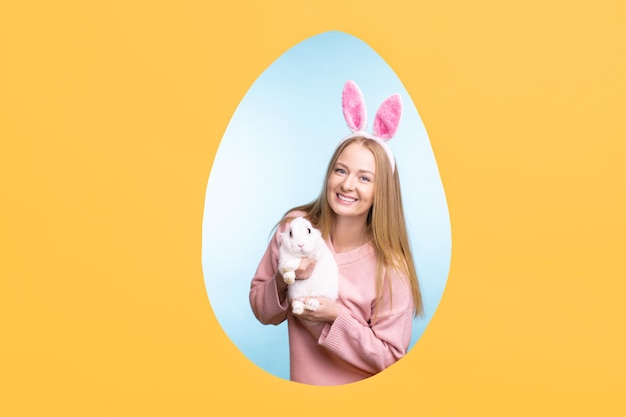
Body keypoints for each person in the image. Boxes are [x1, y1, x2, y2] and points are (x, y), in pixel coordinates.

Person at [249, 80, 423, 386]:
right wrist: (283, 280)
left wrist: (334, 317)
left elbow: (392, 360)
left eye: (364, 178)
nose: (347, 185)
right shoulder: (295, 229)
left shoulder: (390, 267)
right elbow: (262, 311)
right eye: (340, 170)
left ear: (381, 191)